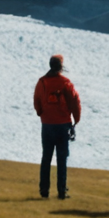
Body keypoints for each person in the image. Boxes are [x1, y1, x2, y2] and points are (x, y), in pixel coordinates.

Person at [32, 54, 81, 199]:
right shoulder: (65, 83)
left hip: (47, 124)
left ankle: (44, 190)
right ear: (61, 66)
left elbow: (37, 101)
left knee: (46, 157)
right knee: (61, 158)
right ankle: (61, 191)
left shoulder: (42, 82)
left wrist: (42, 114)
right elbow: (75, 102)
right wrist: (75, 121)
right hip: (62, 125)